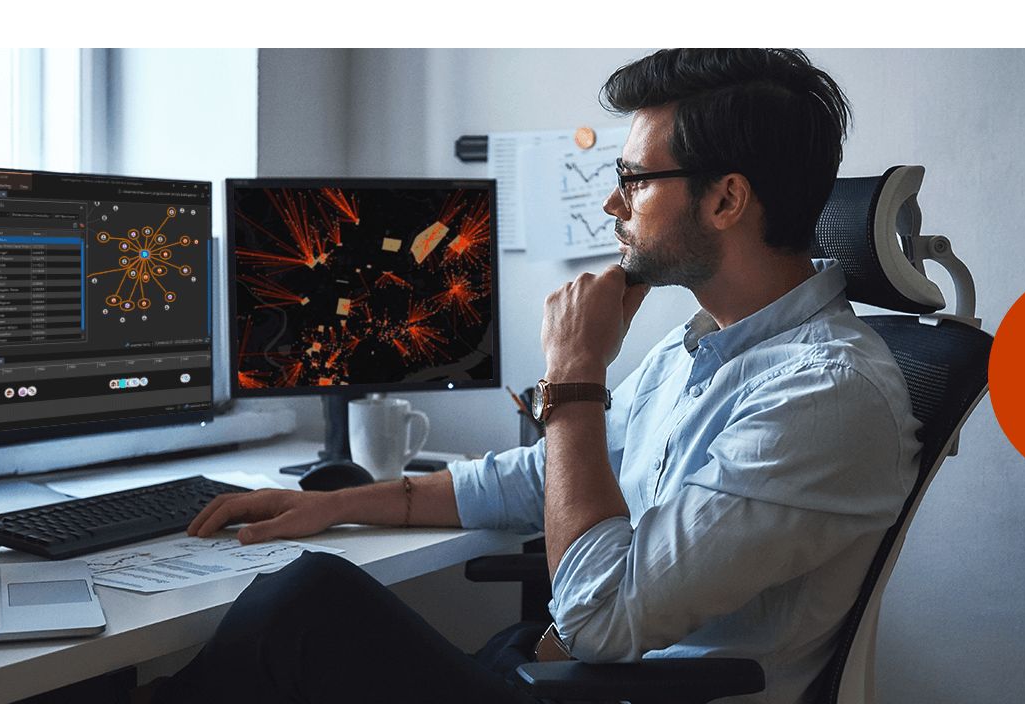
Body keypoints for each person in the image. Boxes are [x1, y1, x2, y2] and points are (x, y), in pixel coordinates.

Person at [148, 48, 921, 704]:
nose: (614, 201)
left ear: (725, 199)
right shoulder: (705, 348)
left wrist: (575, 376)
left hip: (615, 683)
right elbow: (537, 477)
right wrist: (335, 503)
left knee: (306, 605)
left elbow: (597, 617)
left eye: (635, 177)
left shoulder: (824, 395)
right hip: (570, 670)